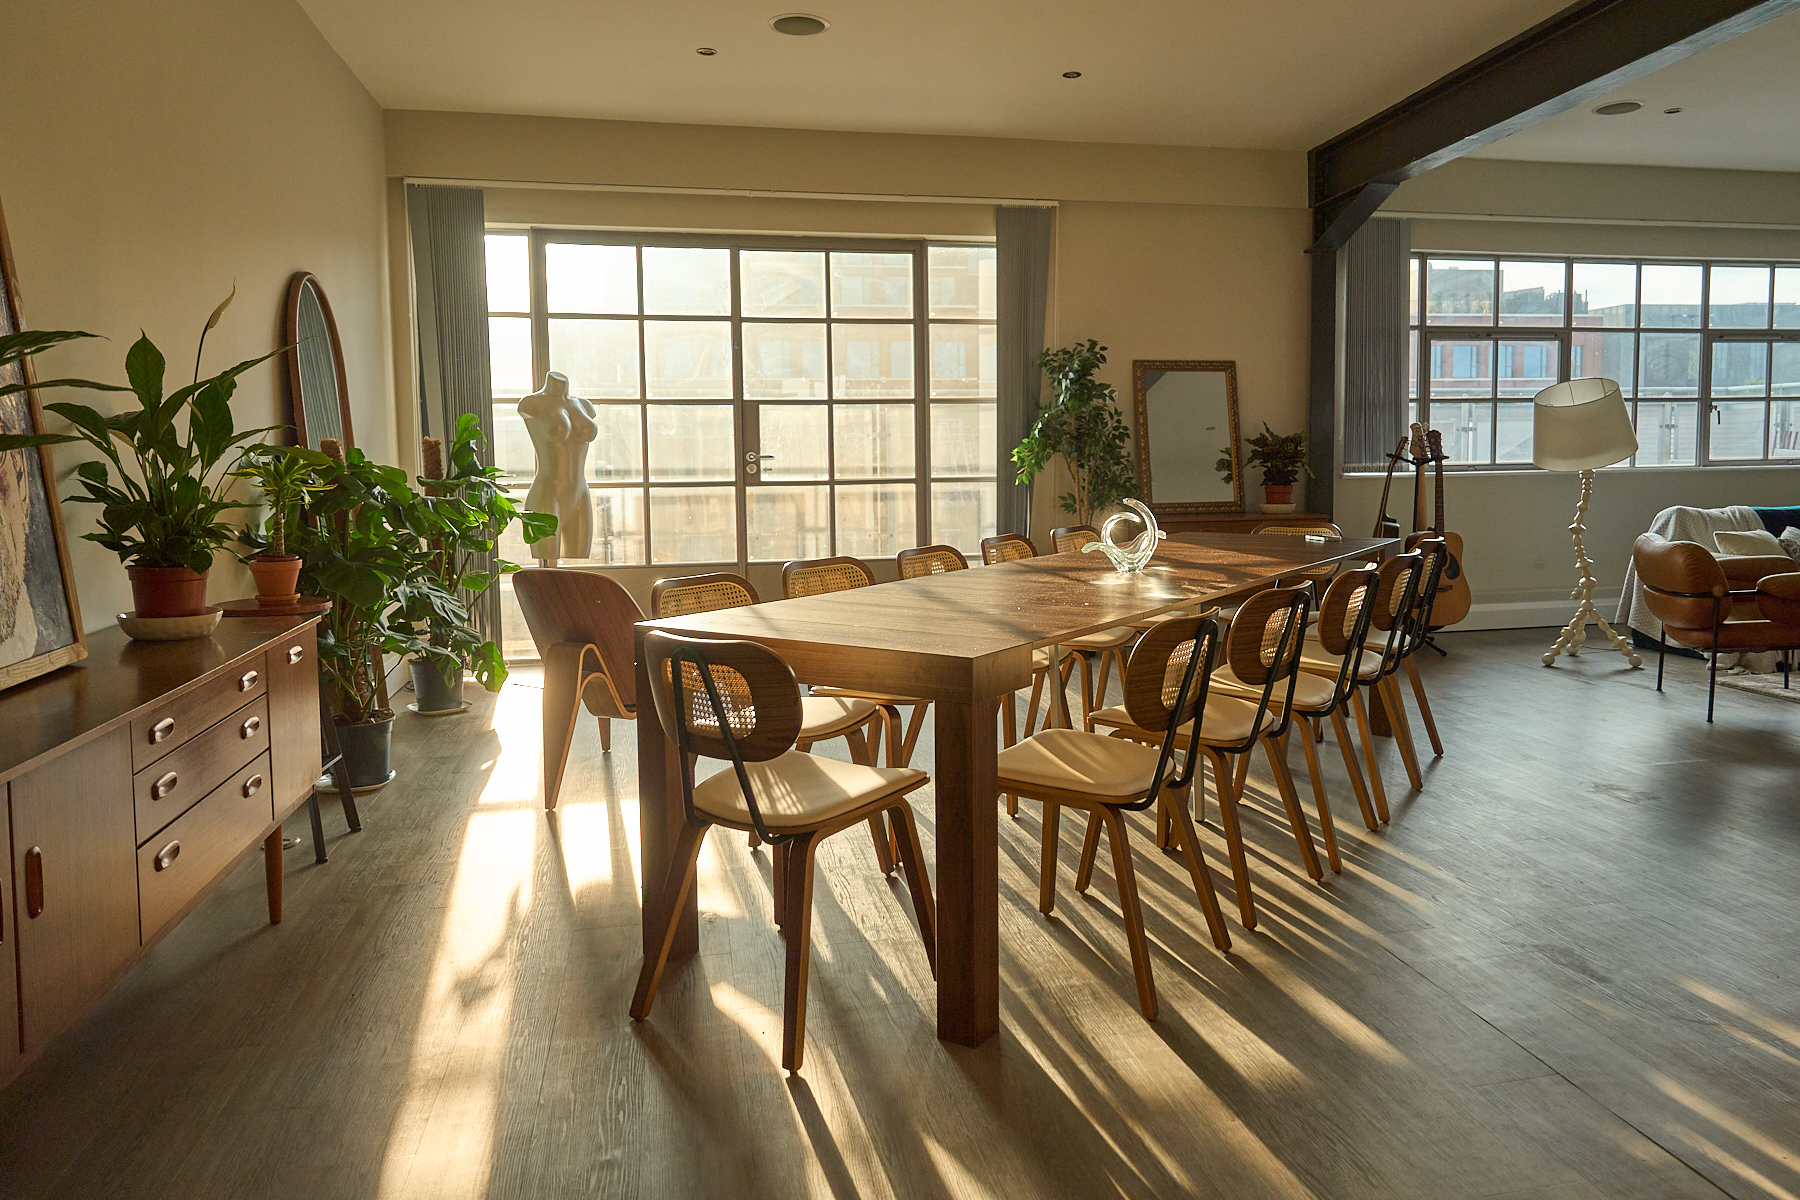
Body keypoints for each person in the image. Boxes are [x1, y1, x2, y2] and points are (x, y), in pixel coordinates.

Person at [518, 371, 596, 565]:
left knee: (578, 571)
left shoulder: (585, 406)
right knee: (547, 572)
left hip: (580, 493)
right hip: (547, 494)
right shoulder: (531, 404)